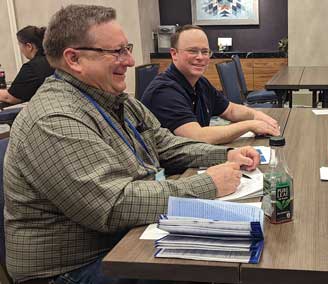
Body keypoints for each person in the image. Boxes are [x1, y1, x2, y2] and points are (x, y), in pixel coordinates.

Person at [3, 5, 260, 284]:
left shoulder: (115, 100)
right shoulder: (55, 118)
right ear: (74, 59)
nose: (130, 60)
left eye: (127, 48)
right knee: (204, 268)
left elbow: (166, 144)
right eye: (117, 52)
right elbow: (112, 205)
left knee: (224, 254)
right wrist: (208, 184)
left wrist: (226, 154)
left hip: (120, 241)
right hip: (70, 269)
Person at [141, 25, 280, 145]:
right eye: (193, 51)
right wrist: (250, 125)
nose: (200, 57)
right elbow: (198, 137)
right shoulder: (165, 91)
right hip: (170, 172)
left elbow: (230, 110)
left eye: (205, 51)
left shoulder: (200, 82)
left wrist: (256, 115)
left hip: (194, 158)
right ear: (174, 54)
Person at [0, 26, 54, 105]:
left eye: (20, 45)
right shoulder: (53, 59)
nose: (21, 50)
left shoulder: (32, 68)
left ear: (29, 46)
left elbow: (9, 98)